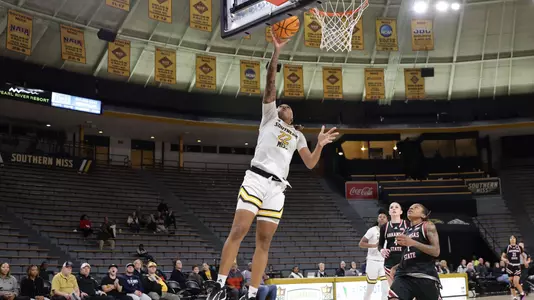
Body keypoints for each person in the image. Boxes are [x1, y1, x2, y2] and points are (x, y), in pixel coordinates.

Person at [207, 30, 338, 300]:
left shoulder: (298, 135)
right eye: (282, 104)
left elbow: (311, 164)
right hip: (256, 178)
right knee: (239, 230)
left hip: (278, 188)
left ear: (292, 116)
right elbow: (269, 84)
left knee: (264, 242)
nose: (284, 105)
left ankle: (253, 292)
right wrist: (276, 51)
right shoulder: (269, 117)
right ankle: (219, 285)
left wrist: (321, 144)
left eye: (288, 106)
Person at [388, 203, 441, 300]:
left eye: (416, 207)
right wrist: (396, 267)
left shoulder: (427, 226)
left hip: (425, 275)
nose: (411, 208)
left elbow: (436, 251)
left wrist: (413, 242)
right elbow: (409, 255)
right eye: (410, 207)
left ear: (423, 215)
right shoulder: (405, 232)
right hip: (403, 275)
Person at [359, 211, 389, 300]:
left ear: (387, 219)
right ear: (377, 219)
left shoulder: (389, 231)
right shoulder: (372, 230)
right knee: (370, 288)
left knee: (385, 288)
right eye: (380, 217)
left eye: (384, 217)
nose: (382, 218)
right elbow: (361, 244)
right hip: (372, 261)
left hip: (384, 262)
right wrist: (373, 245)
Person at [378, 202, 408, 287]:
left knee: (409, 292)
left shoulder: (407, 224)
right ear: (389, 212)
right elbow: (379, 244)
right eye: (391, 207)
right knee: (394, 291)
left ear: (401, 211)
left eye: (396, 207)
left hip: (405, 262)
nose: (394, 209)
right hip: (389, 262)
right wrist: (381, 250)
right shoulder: (385, 227)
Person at [502, 235, 526, 300]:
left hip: (517, 266)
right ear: (509, 240)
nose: (512, 239)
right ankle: (514, 297)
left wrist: (525, 261)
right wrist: (505, 260)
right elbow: (502, 257)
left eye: (513, 238)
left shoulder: (519, 247)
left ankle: (522, 294)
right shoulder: (507, 247)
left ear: (515, 240)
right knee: (511, 283)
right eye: (511, 238)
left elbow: (523, 255)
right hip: (509, 266)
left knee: (515, 282)